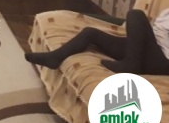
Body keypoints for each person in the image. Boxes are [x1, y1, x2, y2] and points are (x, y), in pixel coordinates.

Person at [25, 8, 169, 75]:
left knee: (136, 14)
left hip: (162, 60)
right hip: (151, 51)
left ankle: (130, 66)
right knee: (91, 33)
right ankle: (55, 58)